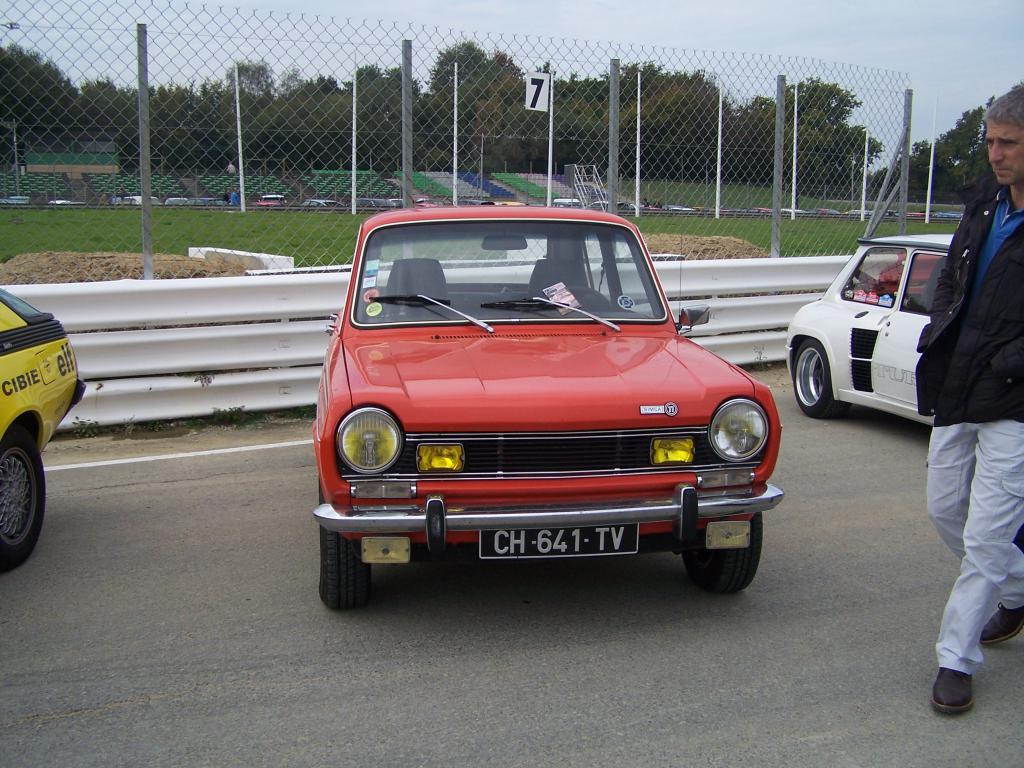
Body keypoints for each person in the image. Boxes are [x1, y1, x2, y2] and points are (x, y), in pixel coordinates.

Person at [915, 85, 1024, 715]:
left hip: (1014, 398)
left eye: (1008, 142)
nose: (995, 153)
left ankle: (956, 660)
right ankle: (1018, 587)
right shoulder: (984, 205)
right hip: (958, 383)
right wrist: (940, 334)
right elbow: (953, 277)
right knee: (943, 509)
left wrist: (1008, 364)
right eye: (990, 140)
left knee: (985, 537)